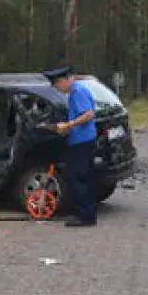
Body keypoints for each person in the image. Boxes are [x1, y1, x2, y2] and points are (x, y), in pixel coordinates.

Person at [43, 65, 98, 227]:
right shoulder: (76, 90)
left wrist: (69, 125)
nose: (57, 89)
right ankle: (88, 214)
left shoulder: (77, 92)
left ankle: (84, 217)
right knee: (85, 179)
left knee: (77, 178)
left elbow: (88, 114)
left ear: (62, 81)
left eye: (57, 85)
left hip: (82, 142)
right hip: (83, 140)